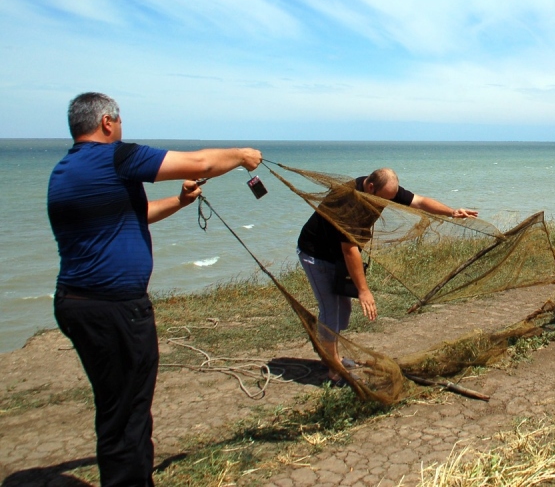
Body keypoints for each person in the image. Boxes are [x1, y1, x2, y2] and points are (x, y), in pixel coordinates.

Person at [47, 92, 263, 486]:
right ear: (108, 122)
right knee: (129, 413)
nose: (122, 128)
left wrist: (180, 202)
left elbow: (136, 214)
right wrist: (241, 156)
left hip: (76, 304)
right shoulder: (114, 157)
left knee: (116, 406)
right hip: (115, 309)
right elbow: (198, 162)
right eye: (121, 121)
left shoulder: (66, 171)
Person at [296, 167, 477, 380]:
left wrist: (451, 212)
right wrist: (363, 291)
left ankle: (332, 355)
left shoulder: (383, 188)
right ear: (371, 187)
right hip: (316, 255)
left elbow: (419, 201)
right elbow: (350, 249)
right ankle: (334, 367)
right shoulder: (349, 201)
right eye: (385, 199)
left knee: (342, 313)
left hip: (336, 255)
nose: (387, 203)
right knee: (330, 312)